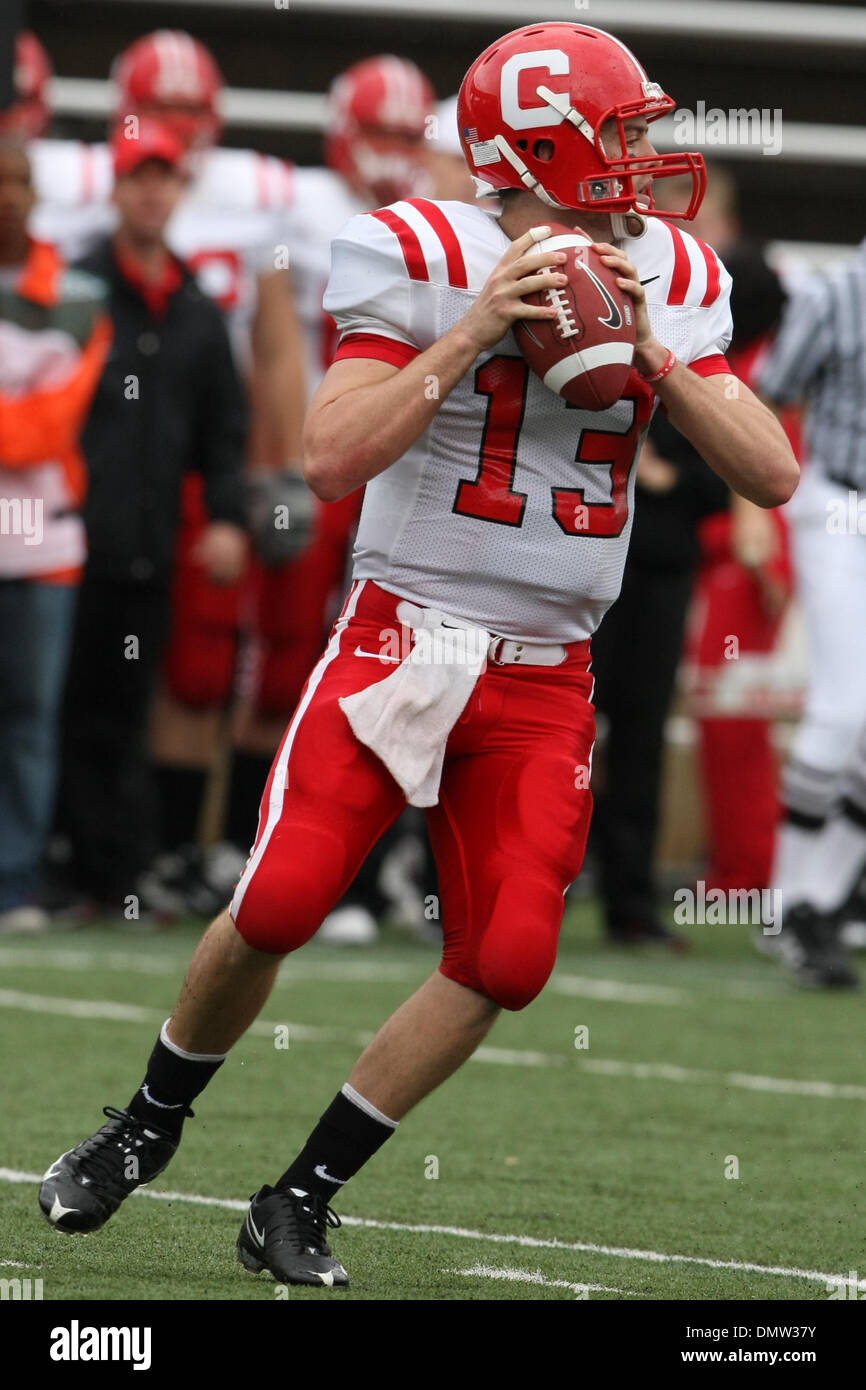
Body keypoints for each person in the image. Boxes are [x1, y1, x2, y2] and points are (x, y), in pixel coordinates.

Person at [39, 22, 797, 1288]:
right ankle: (144, 1125)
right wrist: (472, 334)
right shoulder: (421, 248)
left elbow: (770, 470)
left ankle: (299, 1195)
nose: (643, 156)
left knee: (506, 956)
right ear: (544, 147)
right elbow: (332, 457)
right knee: (278, 900)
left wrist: (656, 353)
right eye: (618, 132)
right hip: (406, 635)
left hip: (547, 663)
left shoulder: (676, 273)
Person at [54, 119, 247, 913]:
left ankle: (113, 873)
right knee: (55, 708)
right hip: (64, 538)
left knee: (127, 710)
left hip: (149, 545)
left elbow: (222, 430)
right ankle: (59, 862)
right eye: (139, 177)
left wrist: (230, 518)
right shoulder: (76, 293)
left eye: (163, 178)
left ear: (179, 189)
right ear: (116, 187)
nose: (150, 191)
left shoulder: (197, 309)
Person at [0, 136, 110, 931]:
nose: (6, 193)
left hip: (40, 541)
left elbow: (46, 428)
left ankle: (14, 881)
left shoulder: (74, 293)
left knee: (30, 721)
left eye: (17, 179)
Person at [758, 233, 866, 987]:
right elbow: (767, 388)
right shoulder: (838, 293)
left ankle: (820, 905)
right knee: (841, 710)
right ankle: (787, 903)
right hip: (837, 505)